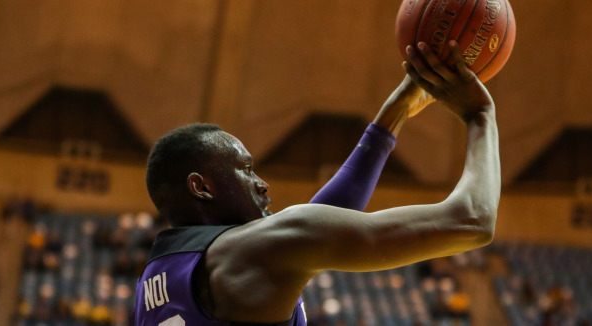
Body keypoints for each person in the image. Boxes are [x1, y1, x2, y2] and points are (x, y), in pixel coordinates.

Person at [133, 40, 501, 325]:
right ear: (202, 187)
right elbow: (472, 220)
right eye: (245, 169)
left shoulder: (158, 275)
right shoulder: (250, 253)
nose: (262, 184)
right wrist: (480, 116)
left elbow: (317, 219)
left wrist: (395, 114)